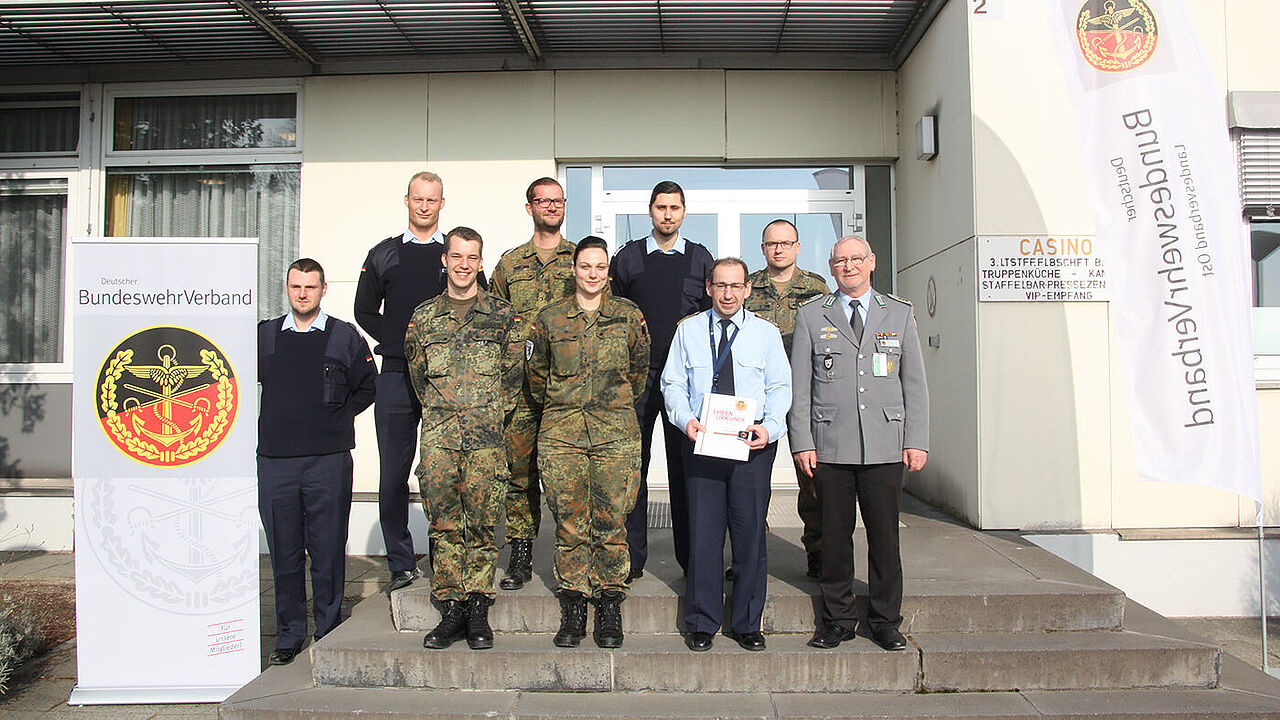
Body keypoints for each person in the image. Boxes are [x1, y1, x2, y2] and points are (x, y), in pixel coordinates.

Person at [789, 235, 929, 652]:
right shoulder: (813, 315)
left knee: (885, 538)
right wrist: (802, 442)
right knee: (834, 537)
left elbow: (915, 384)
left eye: (855, 259)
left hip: (886, 444)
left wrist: (916, 440)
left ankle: (886, 620)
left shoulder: (899, 315)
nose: (848, 267)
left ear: (871, 262)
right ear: (831, 268)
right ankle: (838, 619)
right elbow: (801, 387)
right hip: (830, 444)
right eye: (840, 261)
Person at [354, 171, 484, 592]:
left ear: (442, 204)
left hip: (448, 380)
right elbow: (364, 310)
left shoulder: (455, 255)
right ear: (406, 201)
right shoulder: (384, 254)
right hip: (395, 375)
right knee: (393, 472)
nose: (424, 206)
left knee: (444, 469)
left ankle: (448, 551)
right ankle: (400, 561)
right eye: (418, 199)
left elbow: (475, 307)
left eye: (432, 200)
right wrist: (402, 341)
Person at [661, 258, 791, 653]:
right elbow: (672, 384)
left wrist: (769, 428)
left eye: (736, 285)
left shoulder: (766, 335)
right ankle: (702, 622)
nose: (728, 293)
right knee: (704, 534)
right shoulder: (689, 331)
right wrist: (685, 421)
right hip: (702, 443)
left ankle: (748, 622)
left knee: (750, 534)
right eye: (720, 285)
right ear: (709, 287)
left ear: (748, 288)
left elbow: (781, 388)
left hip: (751, 448)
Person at [404, 226, 523, 650]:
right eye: (457, 256)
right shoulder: (423, 317)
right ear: (445, 259)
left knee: (484, 524)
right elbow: (419, 376)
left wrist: (485, 413)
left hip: (487, 439)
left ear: (480, 261)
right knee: (445, 523)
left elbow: (513, 378)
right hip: (439, 439)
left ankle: (477, 608)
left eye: (472, 258)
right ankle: (450, 607)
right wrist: (445, 413)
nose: (464, 265)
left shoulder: (503, 315)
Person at [528, 236, 650, 649]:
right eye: (585, 267)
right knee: (569, 522)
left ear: (607, 273)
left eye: (600, 267)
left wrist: (608, 408)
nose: (593, 274)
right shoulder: (550, 319)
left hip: (615, 434)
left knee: (612, 520)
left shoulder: (629, 316)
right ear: (574, 270)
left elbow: (638, 373)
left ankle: (610, 602)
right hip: (562, 435)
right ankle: (575, 603)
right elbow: (536, 376)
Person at [257, 258, 376, 666]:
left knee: (326, 551)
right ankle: (289, 634)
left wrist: (338, 418)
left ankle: (327, 628)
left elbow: (368, 386)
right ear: (286, 288)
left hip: (328, 461)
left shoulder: (344, 336)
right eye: (295, 286)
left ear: (324, 289)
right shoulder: (265, 336)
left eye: (310, 286)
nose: (302, 293)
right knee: (285, 554)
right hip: (276, 462)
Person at [610, 180, 713, 580]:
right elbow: (614, 312)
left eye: (674, 208)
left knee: (686, 470)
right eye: (660, 207)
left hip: (685, 384)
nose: (667, 214)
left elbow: (710, 320)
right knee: (633, 467)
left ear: (684, 212)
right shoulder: (629, 258)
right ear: (650, 211)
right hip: (636, 379)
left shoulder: (700, 259)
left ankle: (691, 559)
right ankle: (632, 559)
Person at [488, 177, 577, 591]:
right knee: (520, 473)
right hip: (521, 387)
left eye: (557, 201)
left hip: (565, 387)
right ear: (530, 208)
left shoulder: (580, 259)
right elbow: (495, 321)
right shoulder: (509, 264)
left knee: (568, 474)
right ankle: (521, 555)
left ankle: (573, 554)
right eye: (543, 201)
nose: (551, 207)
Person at [743, 219, 831, 579]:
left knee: (812, 478)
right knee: (749, 483)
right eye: (771, 243)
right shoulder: (749, 287)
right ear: (763, 248)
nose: (778, 249)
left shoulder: (816, 288)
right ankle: (748, 554)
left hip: (804, 395)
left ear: (798, 247)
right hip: (757, 399)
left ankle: (819, 552)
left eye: (785, 243)